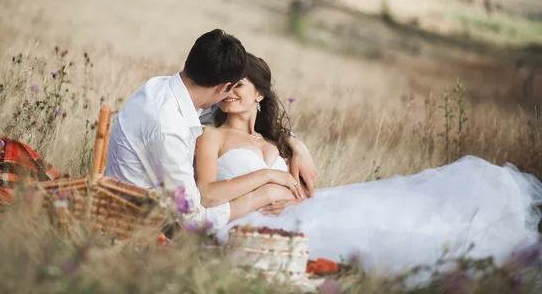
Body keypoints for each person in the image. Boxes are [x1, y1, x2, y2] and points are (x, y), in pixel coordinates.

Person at [194, 53, 542, 278]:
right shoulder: (212, 137)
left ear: (259, 94)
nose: (228, 92)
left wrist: (291, 173)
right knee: (375, 235)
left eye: (238, 85)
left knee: (393, 208)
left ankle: (475, 246)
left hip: (304, 209)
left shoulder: (275, 142)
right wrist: (269, 178)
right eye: (224, 86)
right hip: (254, 221)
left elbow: (303, 190)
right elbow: (207, 194)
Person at [105, 29, 317, 229]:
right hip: (139, 224)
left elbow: (246, 116)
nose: (229, 96)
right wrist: (266, 190)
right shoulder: (170, 130)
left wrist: (297, 147)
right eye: (230, 88)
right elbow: (192, 219)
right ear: (222, 88)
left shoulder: (166, 90)